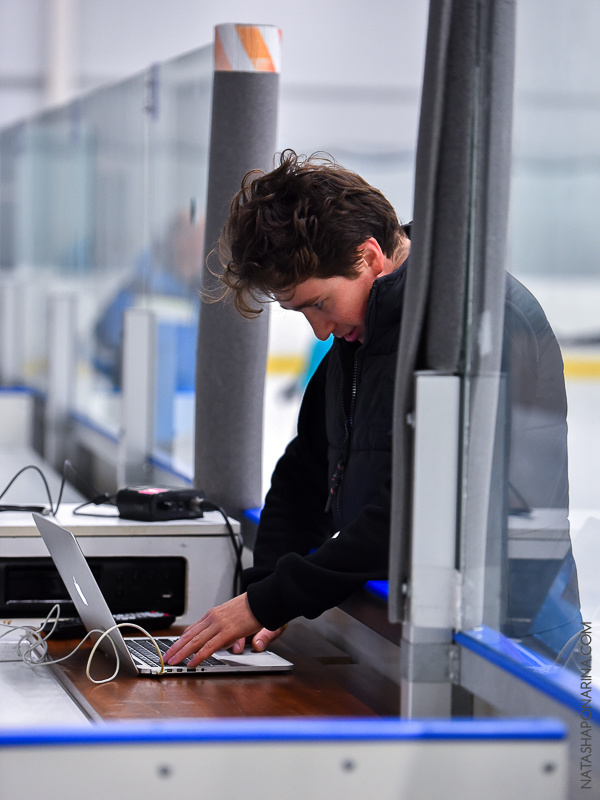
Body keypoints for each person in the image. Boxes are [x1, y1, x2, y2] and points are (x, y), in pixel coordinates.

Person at [164, 150, 580, 669]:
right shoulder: (364, 330)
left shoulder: (479, 321)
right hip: (424, 627)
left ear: (369, 257)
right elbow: (305, 472)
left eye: (318, 304)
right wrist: (263, 593)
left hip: (514, 637)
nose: (319, 330)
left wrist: (270, 601)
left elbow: (420, 512)